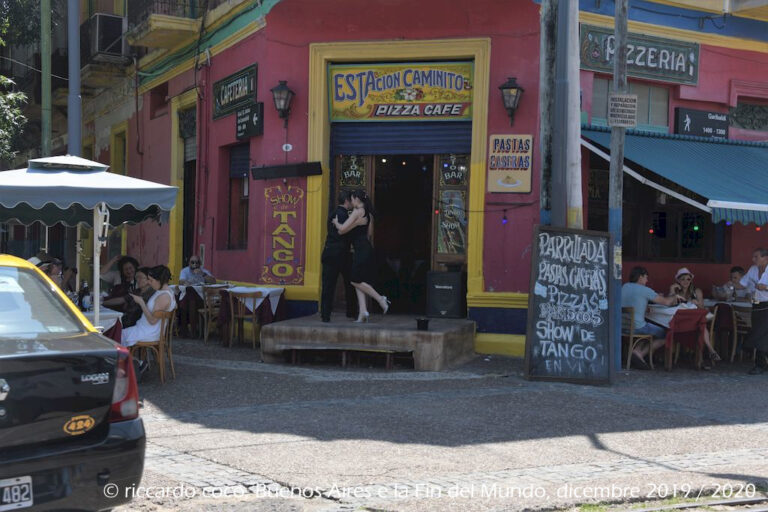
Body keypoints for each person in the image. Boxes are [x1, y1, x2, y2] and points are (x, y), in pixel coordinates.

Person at [332, 189, 390, 323]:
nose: (351, 201)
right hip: (365, 248)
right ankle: (363, 312)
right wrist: (355, 226)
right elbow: (368, 234)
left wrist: (336, 223)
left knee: (354, 280)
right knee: (358, 280)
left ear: (356, 199)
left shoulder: (357, 212)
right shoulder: (368, 214)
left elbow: (342, 229)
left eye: (352, 199)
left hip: (360, 250)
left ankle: (381, 299)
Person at [622, 266, 685, 370]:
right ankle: (640, 353)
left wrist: (643, 305)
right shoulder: (645, 290)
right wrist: (674, 296)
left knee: (650, 330)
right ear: (640, 276)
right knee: (666, 334)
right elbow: (667, 302)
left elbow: (633, 301)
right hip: (637, 327)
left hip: (622, 326)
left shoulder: (625, 286)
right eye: (646, 277)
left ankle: (637, 350)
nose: (647, 280)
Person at [668, 267, 721, 363]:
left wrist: (696, 303)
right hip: (680, 321)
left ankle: (710, 350)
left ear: (691, 280)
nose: (685, 281)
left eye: (688, 279)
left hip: (694, 320)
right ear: (678, 280)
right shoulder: (676, 292)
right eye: (682, 279)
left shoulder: (696, 291)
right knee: (702, 325)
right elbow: (669, 304)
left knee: (701, 325)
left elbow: (702, 308)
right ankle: (710, 350)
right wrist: (672, 290)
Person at [320, 190, 357, 322]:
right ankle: (351, 312)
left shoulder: (332, 214)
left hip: (329, 253)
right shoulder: (345, 216)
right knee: (350, 284)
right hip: (342, 254)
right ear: (346, 201)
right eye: (351, 200)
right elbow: (345, 234)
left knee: (328, 285)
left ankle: (325, 314)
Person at [121, 265, 176, 348]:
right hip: (145, 328)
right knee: (117, 333)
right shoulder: (164, 291)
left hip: (149, 332)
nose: (149, 282)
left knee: (115, 336)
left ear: (159, 280)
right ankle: (125, 359)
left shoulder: (163, 297)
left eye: (151, 280)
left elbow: (152, 321)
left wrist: (141, 302)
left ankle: (122, 359)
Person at [740, 248, 768, 375]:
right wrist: (730, 285)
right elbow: (742, 283)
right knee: (759, 332)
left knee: (760, 334)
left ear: (765, 257)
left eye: (756, 257)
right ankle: (762, 363)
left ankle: (760, 364)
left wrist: (766, 287)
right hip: (757, 304)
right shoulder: (753, 269)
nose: (753, 259)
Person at [177, 255, 215, 337]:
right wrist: (185, 282)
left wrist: (203, 274)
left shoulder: (203, 271)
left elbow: (213, 281)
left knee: (187, 301)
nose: (194, 264)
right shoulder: (185, 271)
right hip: (189, 298)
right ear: (189, 263)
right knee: (190, 297)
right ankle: (193, 331)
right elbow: (181, 281)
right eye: (192, 262)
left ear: (200, 264)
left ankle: (186, 330)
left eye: (196, 262)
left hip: (202, 298)